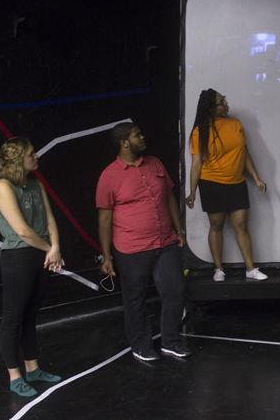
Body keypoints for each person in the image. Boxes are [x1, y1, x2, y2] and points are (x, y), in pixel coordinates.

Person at [96, 122, 190, 362]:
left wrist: (179, 229)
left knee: (175, 291)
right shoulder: (109, 176)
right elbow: (105, 219)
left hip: (165, 241)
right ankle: (141, 345)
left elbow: (169, 197)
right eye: (138, 135)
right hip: (131, 248)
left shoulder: (155, 163)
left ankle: (171, 341)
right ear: (125, 142)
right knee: (135, 298)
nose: (143, 137)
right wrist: (106, 256)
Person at [0, 137, 64, 397]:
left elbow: (49, 218)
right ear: (18, 158)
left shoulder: (36, 184)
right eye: (32, 154)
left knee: (30, 316)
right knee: (13, 319)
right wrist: (50, 249)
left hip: (42, 255)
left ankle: (33, 368)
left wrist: (54, 246)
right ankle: (15, 376)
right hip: (18, 257)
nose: (37, 157)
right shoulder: (3, 187)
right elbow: (22, 230)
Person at [186, 89, 268, 282]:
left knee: (241, 225)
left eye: (224, 100)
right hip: (211, 183)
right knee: (216, 225)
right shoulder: (200, 132)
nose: (226, 104)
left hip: (236, 182)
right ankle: (218, 269)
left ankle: (250, 269)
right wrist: (192, 192)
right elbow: (196, 164)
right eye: (221, 102)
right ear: (211, 109)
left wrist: (256, 178)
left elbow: (244, 153)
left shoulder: (235, 124)